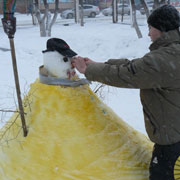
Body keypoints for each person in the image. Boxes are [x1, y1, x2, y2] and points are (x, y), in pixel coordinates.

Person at [72, 4, 180, 180]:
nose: (148, 33)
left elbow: (128, 74)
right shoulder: (171, 53)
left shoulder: (163, 59)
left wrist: (89, 70)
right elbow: (135, 66)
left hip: (172, 146)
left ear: (161, 29)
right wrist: (98, 65)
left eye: (150, 28)